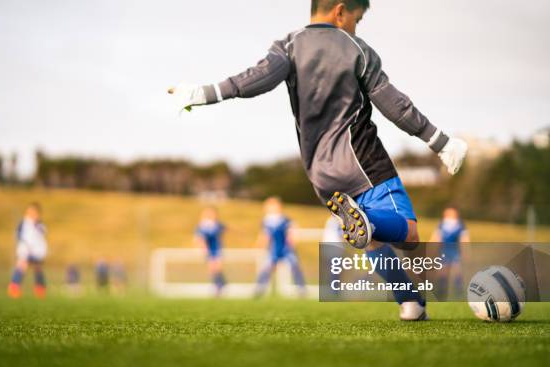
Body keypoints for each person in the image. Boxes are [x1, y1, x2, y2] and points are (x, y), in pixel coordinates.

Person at [168, 0, 467, 319]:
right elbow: (395, 105)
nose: (356, 26)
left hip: (320, 174)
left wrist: (202, 93)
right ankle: (369, 222)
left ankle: (410, 302)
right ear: (340, 12)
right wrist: (440, 141)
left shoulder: (288, 45)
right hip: (363, 161)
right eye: (357, 18)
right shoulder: (357, 50)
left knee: (371, 240)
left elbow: (252, 80)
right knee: (407, 234)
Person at [254, 197, 306, 298]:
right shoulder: (266, 221)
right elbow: (265, 235)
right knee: (266, 268)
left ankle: (301, 289)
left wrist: (292, 240)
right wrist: (260, 244)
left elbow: (291, 232)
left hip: (286, 249)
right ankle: (259, 289)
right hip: (273, 250)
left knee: (295, 267)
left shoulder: (285, 219)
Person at [7, 202, 48, 298]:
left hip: (37, 250)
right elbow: (18, 234)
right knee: (22, 265)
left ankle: (40, 288)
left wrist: (36, 224)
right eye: (30, 211)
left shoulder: (40, 225)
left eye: (34, 212)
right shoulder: (23, 223)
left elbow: (43, 234)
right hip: (25, 249)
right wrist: (24, 245)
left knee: (38, 268)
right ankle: (14, 287)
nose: (32, 213)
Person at [430, 206, 470, 300]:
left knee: (457, 272)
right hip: (444, 251)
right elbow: (436, 238)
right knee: (442, 273)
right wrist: (431, 250)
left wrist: (466, 252)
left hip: (455, 252)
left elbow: (464, 240)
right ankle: (441, 294)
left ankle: (459, 294)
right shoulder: (441, 224)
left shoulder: (460, 225)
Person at [194, 206, 227, 296]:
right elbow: (199, 238)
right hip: (208, 251)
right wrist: (202, 247)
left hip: (217, 249)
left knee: (218, 268)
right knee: (212, 269)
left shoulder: (217, 225)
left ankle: (220, 285)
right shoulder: (202, 226)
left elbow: (224, 229)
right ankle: (219, 286)